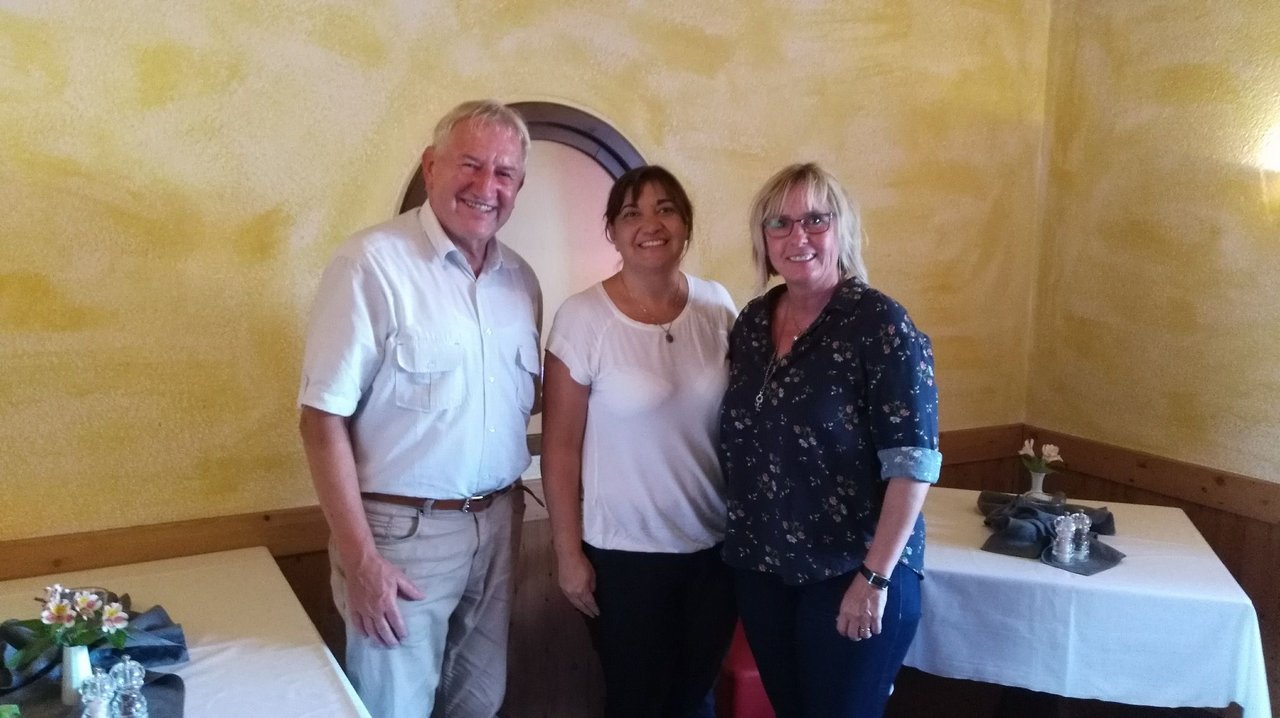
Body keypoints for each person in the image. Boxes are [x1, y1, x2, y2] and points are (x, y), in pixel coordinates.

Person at [297, 99, 541, 718]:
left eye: (505, 173)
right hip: (399, 536)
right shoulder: (371, 264)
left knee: (479, 702)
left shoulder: (521, 282)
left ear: (518, 187)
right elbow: (320, 421)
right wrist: (361, 561)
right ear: (431, 167)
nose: (486, 186)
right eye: (470, 164)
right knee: (393, 707)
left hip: (499, 523)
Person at [717, 163, 941, 718]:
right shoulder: (751, 323)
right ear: (763, 239)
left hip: (852, 570)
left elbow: (913, 463)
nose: (798, 236)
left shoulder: (880, 324)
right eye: (780, 223)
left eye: (816, 220)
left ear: (843, 230)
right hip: (764, 569)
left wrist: (874, 577)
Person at [541, 165, 738, 718]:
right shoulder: (582, 318)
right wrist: (568, 554)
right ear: (613, 231)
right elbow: (560, 449)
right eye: (632, 213)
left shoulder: (718, 306)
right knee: (637, 703)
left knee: (695, 700)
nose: (650, 224)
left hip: (713, 551)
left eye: (665, 209)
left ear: (686, 224)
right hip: (623, 557)